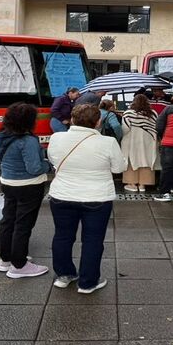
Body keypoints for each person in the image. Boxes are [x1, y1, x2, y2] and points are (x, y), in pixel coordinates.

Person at [46, 103, 126, 293]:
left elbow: (53, 160)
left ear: (72, 119)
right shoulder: (107, 142)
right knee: (93, 240)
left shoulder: (56, 138)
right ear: (98, 122)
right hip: (97, 198)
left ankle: (64, 275)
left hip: (62, 195)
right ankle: (88, 282)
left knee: (63, 236)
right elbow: (118, 169)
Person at [0, 102, 51, 278]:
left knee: (8, 220)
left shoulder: (1, 136)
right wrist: (47, 164)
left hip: (8, 183)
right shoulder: (28, 141)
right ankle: (19, 266)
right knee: (23, 225)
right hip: (29, 186)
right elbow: (34, 168)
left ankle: (6, 260)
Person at [121, 93, 159, 192]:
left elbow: (125, 129)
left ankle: (132, 184)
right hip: (149, 140)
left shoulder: (128, 113)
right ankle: (142, 185)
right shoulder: (153, 113)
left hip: (132, 140)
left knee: (131, 160)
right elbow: (157, 127)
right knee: (146, 160)